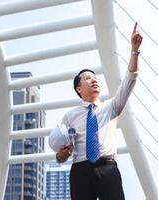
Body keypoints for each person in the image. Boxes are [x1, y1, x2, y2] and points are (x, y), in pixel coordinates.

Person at [55, 22, 143, 200]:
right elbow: (60, 156)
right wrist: (61, 155)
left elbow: (130, 80)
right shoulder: (70, 116)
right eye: (88, 78)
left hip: (108, 168)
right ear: (79, 88)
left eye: (95, 78)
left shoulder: (111, 107)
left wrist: (134, 51)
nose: (94, 80)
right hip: (80, 170)